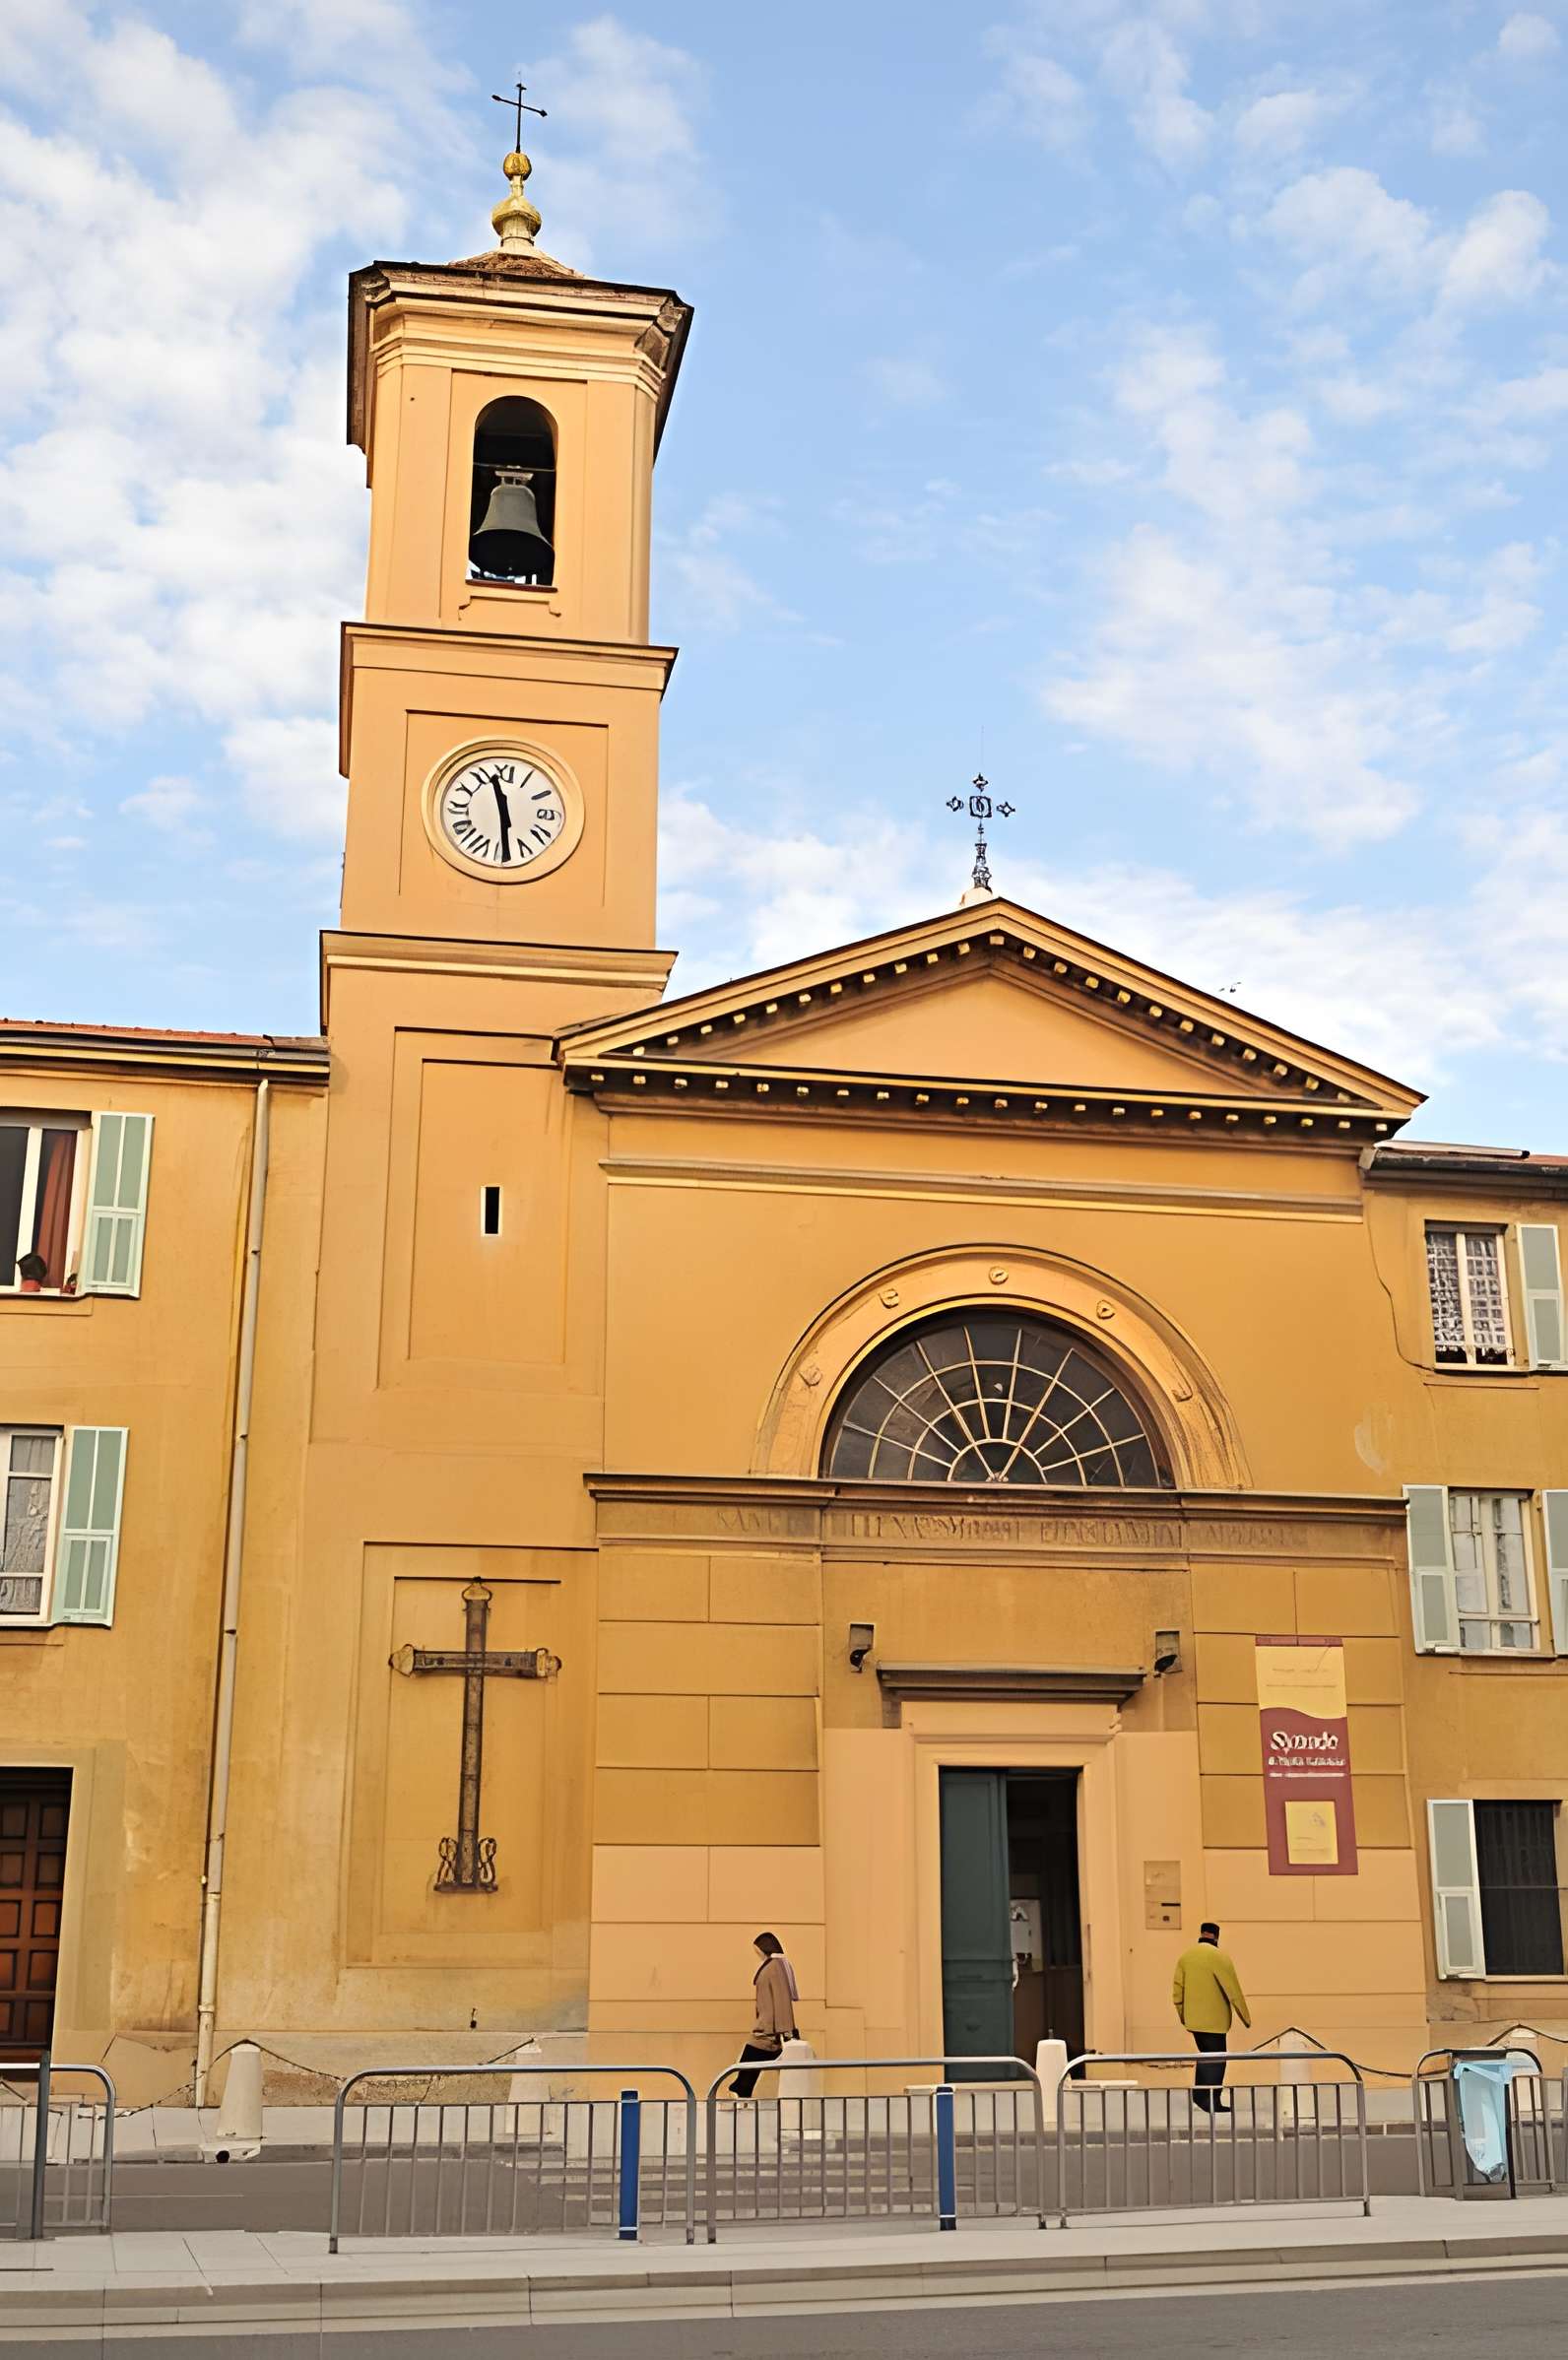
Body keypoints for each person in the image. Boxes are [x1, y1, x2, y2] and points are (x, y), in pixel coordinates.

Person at [1172, 1920, 1250, 2113]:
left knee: (1206, 2056)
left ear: (1201, 1933)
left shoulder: (1186, 1958)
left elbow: (1177, 1992)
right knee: (1217, 2060)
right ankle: (1209, 2099)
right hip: (1216, 2021)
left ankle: (1201, 2096)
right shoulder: (1219, 1957)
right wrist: (1245, 2017)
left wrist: (1184, 2016)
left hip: (1194, 2020)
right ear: (1216, 1936)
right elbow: (1233, 1990)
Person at [726, 1931, 798, 2099]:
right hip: (767, 2025)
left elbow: (781, 2000)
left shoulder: (775, 1967)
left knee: (753, 2052)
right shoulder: (775, 1965)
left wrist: (786, 2031)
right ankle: (742, 2087)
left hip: (768, 2028)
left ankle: (741, 2087)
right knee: (752, 2056)